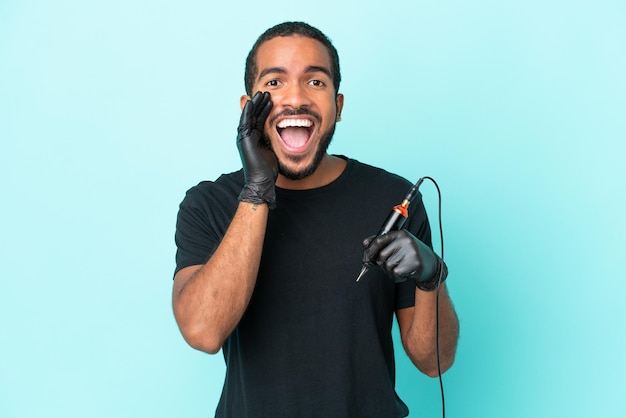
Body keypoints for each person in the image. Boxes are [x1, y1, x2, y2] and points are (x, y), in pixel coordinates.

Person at [172, 21, 459, 418]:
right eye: (274, 83)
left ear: (338, 107)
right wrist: (257, 189)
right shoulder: (210, 204)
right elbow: (203, 332)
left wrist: (431, 276)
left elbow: (435, 363)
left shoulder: (393, 199)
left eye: (316, 82)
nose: (295, 99)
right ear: (247, 109)